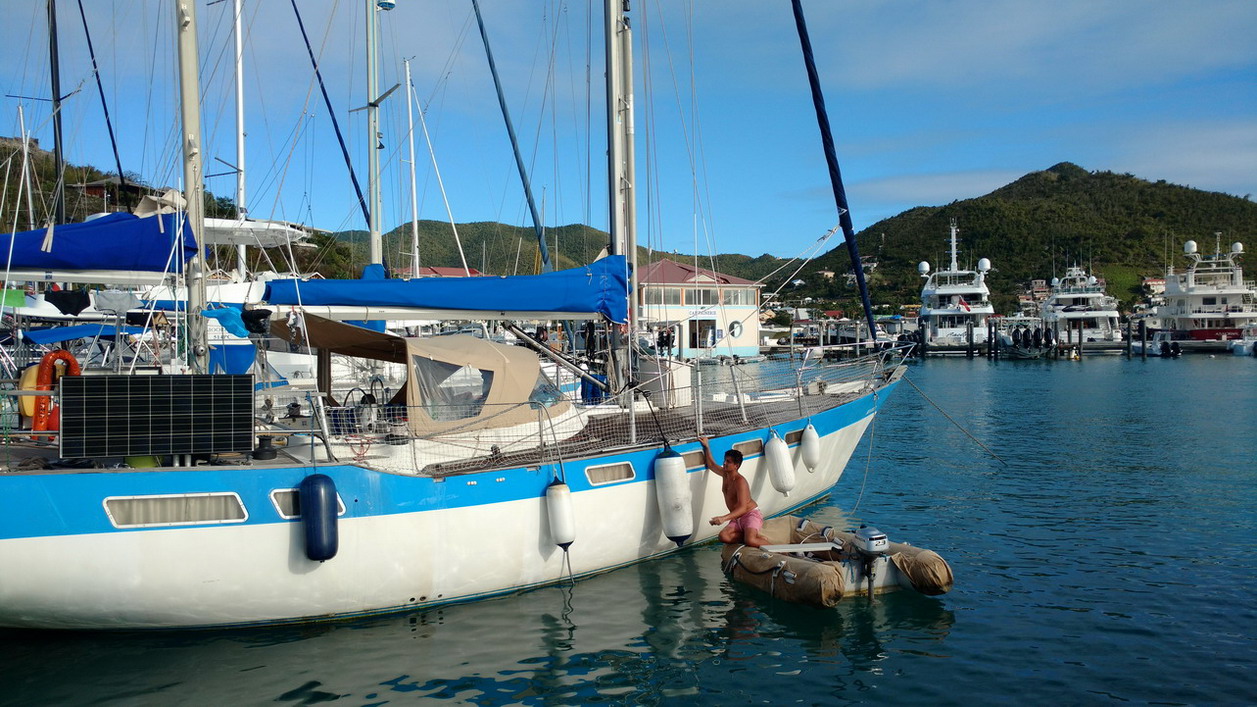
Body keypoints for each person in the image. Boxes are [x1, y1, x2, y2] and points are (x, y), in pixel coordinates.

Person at [698, 436, 766, 547]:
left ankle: (780, 549)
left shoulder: (740, 481)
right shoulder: (725, 474)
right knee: (723, 536)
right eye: (724, 460)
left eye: (728, 462)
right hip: (737, 518)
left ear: (736, 466)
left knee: (750, 541)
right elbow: (711, 465)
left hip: (750, 515)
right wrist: (706, 446)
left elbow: (743, 508)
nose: (724, 463)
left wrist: (723, 518)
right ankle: (747, 535)